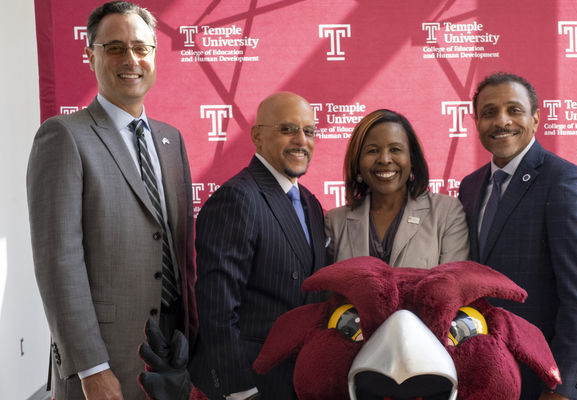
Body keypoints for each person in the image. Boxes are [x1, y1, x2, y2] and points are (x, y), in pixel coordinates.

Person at [26, 2, 196, 399]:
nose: (130, 59)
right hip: (106, 361)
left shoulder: (171, 140)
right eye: (114, 47)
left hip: (172, 355)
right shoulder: (64, 136)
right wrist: (91, 368)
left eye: (141, 48)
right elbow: (58, 263)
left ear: (154, 54)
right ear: (90, 55)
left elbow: (178, 249)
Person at [458, 72, 577, 400]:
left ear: (536, 118)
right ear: (476, 122)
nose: (502, 121)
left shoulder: (564, 181)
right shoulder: (470, 187)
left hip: (540, 379)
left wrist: (561, 385)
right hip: (482, 373)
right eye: (489, 112)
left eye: (514, 110)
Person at [188, 92, 327, 400]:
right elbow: (217, 308)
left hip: (302, 382)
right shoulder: (237, 199)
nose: (301, 141)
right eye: (287, 129)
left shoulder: (312, 205)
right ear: (257, 136)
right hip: (254, 384)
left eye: (309, 131)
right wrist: (239, 389)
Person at [325, 109, 469, 268]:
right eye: (372, 150)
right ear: (357, 162)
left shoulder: (446, 213)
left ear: (412, 158)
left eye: (395, 149)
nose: (384, 160)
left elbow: (452, 285)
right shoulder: (335, 222)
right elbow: (327, 289)